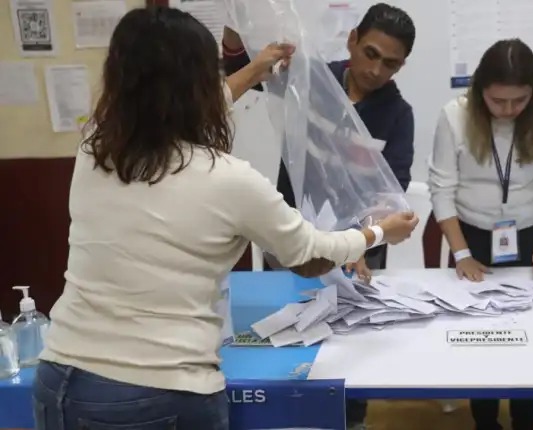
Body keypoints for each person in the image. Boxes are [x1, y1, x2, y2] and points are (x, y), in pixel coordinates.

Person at [31, 7, 418, 430]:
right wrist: (379, 232)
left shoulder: (95, 146)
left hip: (58, 377)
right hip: (161, 393)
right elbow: (312, 255)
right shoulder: (226, 180)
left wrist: (254, 70)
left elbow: (185, 105)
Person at [428, 39, 533, 430]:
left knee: (531, 333)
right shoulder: (453, 117)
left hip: (530, 236)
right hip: (470, 236)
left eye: (519, 101)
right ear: (478, 92)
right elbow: (442, 190)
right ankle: (485, 421)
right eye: (497, 101)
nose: (508, 111)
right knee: (480, 335)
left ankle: (525, 419)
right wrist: (461, 254)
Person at [221, 2, 416, 282]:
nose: (375, 70)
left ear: (401, 65)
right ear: (352, 40)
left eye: (390, 63)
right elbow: (241, 68)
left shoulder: (398, 115)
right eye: (370, 54)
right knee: (281, 316)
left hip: (360, 252)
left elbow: (392, 190)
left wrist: (363, 242)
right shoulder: (310, 81)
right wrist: (234, 15)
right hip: (291, 237)